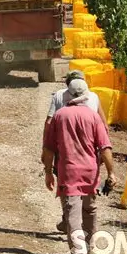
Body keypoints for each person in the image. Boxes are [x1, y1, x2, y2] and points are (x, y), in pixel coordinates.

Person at [42, 79, 117, 254]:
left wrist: (49, 172)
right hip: (91, 171)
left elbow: (49, 149)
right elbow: (105, 147)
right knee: (90, 208)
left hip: (68, 172)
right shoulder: (93, 117)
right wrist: (111, 172)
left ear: (68, 95)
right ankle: (90, 245)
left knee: (72, 214)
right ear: (86, 96)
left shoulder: (59, 116)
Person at [41, 70, 107, 233]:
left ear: (67, 85)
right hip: (90, 155)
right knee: (88, 196)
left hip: (65, 151)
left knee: (67, 188)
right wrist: (104, 152)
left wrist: (46, 150)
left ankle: (68, 220)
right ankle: (87, 235)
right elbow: (104, 126)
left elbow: (49, 123)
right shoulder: (94, 97)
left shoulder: (59, 96)